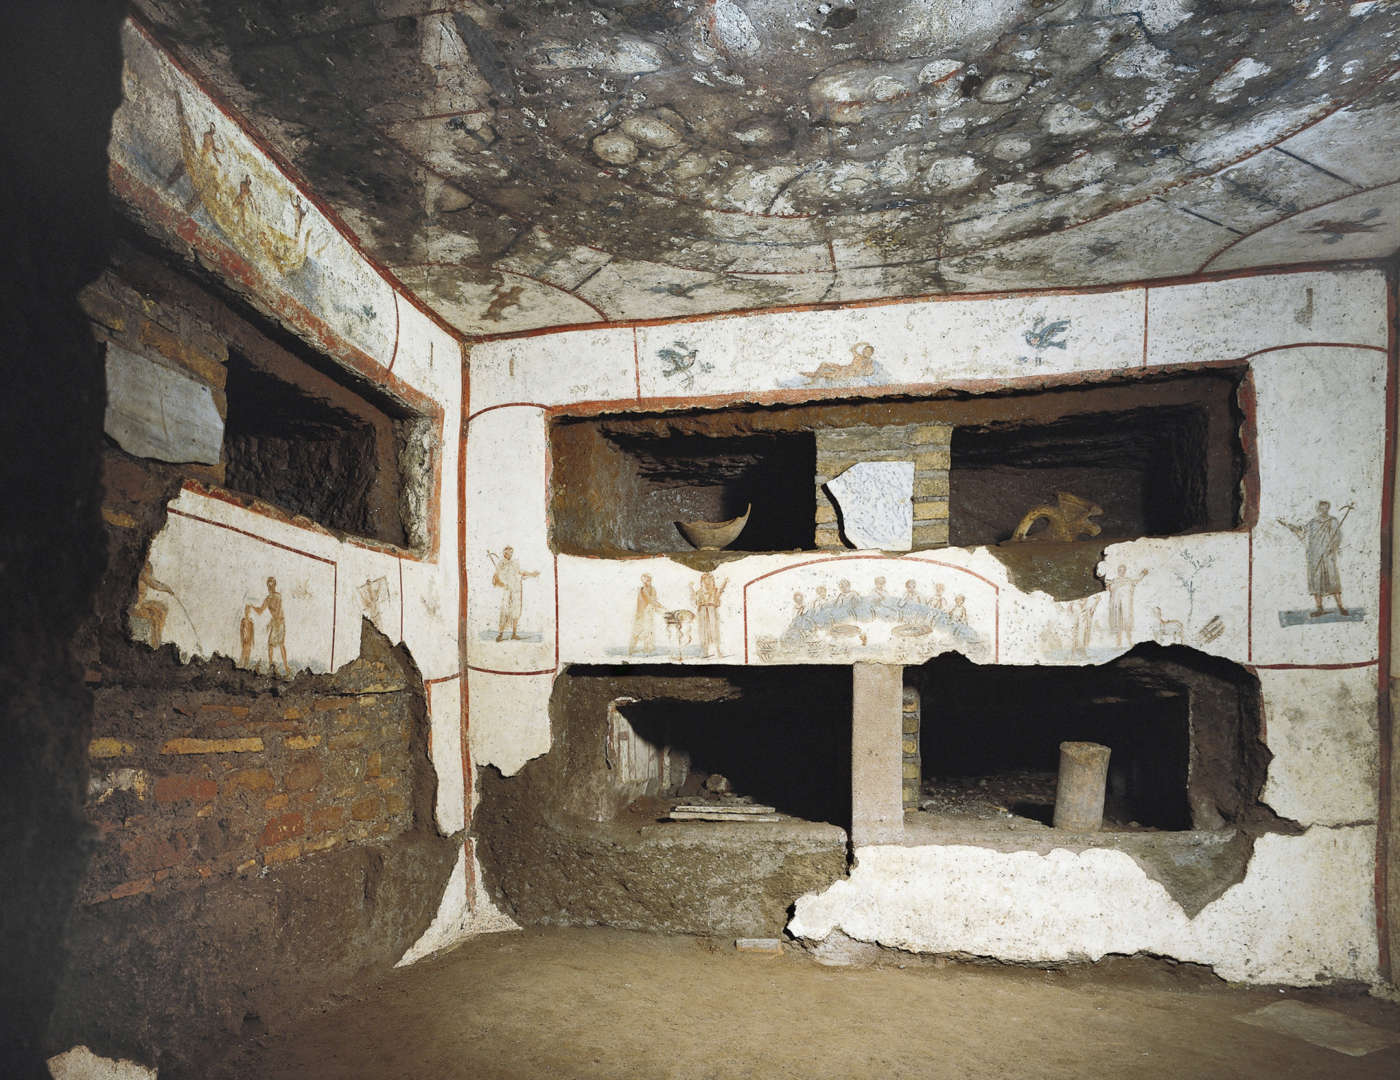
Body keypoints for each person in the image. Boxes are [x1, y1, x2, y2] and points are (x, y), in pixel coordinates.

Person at [1280, 500, 1350, 616]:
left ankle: (1340, 606)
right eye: (1321, 508)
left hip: (1327, 555)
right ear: (1318, 509)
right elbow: (1302, 531)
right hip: (1315, 555)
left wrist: (1332, 547)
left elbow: (1337, 536)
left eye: (1326, 508)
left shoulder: (1332, 521)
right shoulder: (1313, 522)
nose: (1323, 510)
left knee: (1333, 580)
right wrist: (1289, 526)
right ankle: (1319, 608)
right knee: (1316, 581)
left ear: (1328, 508)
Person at [491, 546, 538, 641]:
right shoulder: (500, 564)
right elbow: (496, 578)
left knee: (516, 611)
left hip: (516, 589)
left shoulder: (514, 563)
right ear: (504, 553)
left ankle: (514, 634)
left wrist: (532, 574)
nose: (509, 554)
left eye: (511, 552)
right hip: (507, 590)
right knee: (505, 611)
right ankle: (500, 634)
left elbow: (520, 571)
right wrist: (502, 582)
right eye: (507, 552)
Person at [249, 576, 288, 675]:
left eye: (272, 585)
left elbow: (278, 611)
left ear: (275, 585)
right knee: (271, 645)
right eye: (269, 585)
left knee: (280, 644)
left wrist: (272, 622)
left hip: (279, 623)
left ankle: (286, 666)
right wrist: (252, 606)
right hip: (275, 623)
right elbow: (260, 611)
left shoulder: (277, 596)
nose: (270, 587)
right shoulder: (267, 599)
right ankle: (272, 666)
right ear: (267, 586)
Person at [132, 560, 174, 648]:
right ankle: (155, 643)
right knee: (155, 617)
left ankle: (159, 636)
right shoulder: (142, 571)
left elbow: (154, 581)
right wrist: (167, 589)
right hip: (136, 606)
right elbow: (154, 584)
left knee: (162, 608)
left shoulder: (147, 569)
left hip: (141, 603)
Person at [1105, 564, 1149, 646]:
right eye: (1120, 570)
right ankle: (1118, 642)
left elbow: (1137, 580)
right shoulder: (1114, 581)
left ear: (1125, 571)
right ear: (1118, 571)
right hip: (1116, 605)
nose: (1121, 572)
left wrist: (1143, 573)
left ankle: (1129, 640)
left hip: (1126, 605)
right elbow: (1108, 587)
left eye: (1123, 570)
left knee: (1127, 621)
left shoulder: (1128, 580)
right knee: (1117, 622)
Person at [691, 571, 728, 657]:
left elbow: (721, 590)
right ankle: (705, 651)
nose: (707, 583)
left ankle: (718, 650)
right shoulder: (699, 592)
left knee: (714, 629)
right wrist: (691, 588)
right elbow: (695, 599)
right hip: (702, 611)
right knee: (703, 631)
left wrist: (725, 582)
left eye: (709, 581)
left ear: (712, 581)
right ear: (702, 582)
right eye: (705, 581)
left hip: (712, 610)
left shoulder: (715, 591)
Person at [629, 573, 664, 654]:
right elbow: (649, 599)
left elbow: (654, 600)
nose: (647, 582)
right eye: (645, 581)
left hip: (650, 612)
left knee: (649, 630)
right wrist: (661, 607)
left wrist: (658, 608)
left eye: (649, 580)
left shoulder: (653, 589)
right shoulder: (642, 589)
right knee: (637, 630)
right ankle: (632, 649)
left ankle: (648, 648)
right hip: (641, 612)